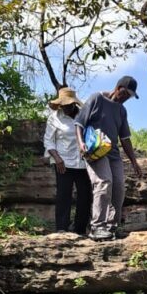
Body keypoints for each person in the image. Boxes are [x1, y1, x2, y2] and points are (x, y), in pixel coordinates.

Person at [74, 75, 143, 241]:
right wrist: (81, 143)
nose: (126, 98)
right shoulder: (97, 98)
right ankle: (97, 226)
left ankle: (112, 227)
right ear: (118, 88)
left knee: (119, 186)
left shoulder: (121, 110)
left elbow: (125, 139)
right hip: (95, 150)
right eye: (125, 94)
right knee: (104, 182)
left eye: (130, 97)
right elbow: (79, 123)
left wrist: (134, 161)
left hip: (112, 154)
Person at [43, 87, 91, 235]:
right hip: (63, 162)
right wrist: (57, 159)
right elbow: (48, 141)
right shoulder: (54, 117)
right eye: (62, 106)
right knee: (64, 196)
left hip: (83, 163)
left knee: (85, 196)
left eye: (68, 106)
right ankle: (62, 229)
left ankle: (80, 229)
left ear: (74, 104)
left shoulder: (84, 115)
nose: (65, 108)